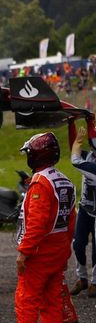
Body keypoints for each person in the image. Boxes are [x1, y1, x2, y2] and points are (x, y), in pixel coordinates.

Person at [7, 132, 76, 323]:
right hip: (58, 251)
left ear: (36, 154)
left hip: (40, 253)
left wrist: (23, 252)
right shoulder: (65, 181)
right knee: (52, 303)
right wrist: (66, 253)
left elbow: (37, 223)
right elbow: (71, 221)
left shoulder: (40, 182)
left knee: (26, 302)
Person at [67, 119, 96, 297]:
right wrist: (71, 124)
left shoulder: (91, 165)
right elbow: (73, 146)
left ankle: (95, 282)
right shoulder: (90, 156)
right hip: (85, 209)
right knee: (78, 244)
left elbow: (76, 159)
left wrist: (89, 123)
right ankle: (82, 278)